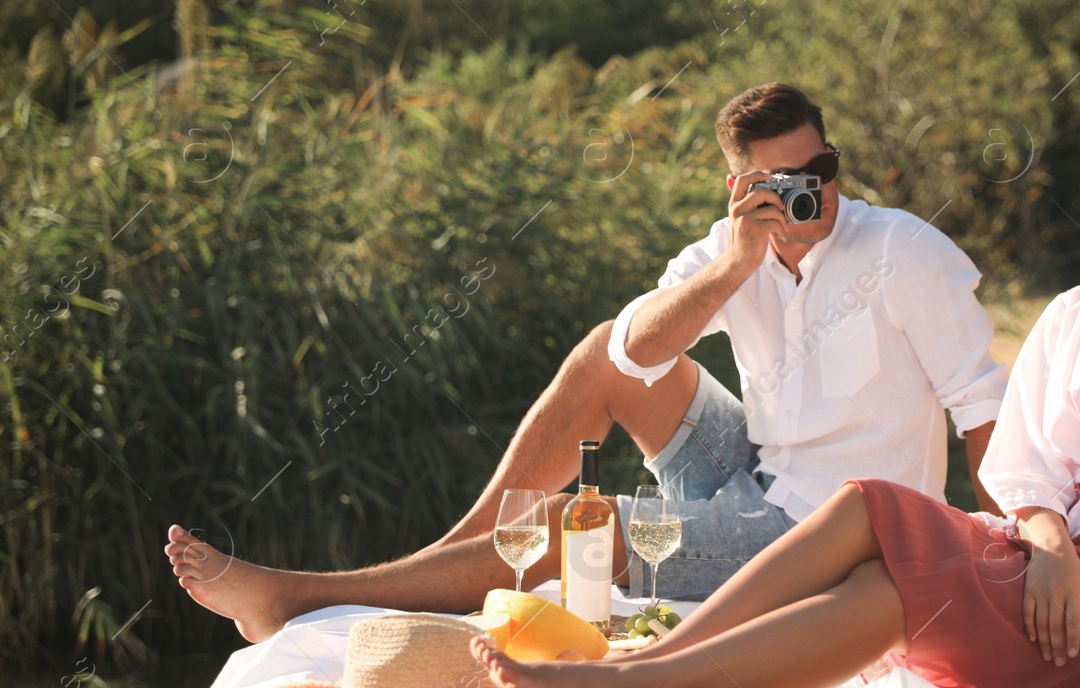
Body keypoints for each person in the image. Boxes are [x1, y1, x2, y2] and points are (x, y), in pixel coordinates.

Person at [468, 72, 1080, 688]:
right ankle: (643, 673)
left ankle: (635, 686)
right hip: (1055, 562)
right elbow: (1022, 464)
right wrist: (1046, 543)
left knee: (903, 573)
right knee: (870, 506)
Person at [167, 83, 1008, 641]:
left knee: (589, 535)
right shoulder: (731, 252)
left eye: (819, 170)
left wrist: (1021, 552)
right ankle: (460, 557)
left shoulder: (904, 251)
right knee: (601, 349)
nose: (807, 194)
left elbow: (983, 410)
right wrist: (733, 268)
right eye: (780, 180)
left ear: (833, 158)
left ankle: (303, 596)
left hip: (820, 535)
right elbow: (633, 353)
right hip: (754, 473)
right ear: (739, 187)